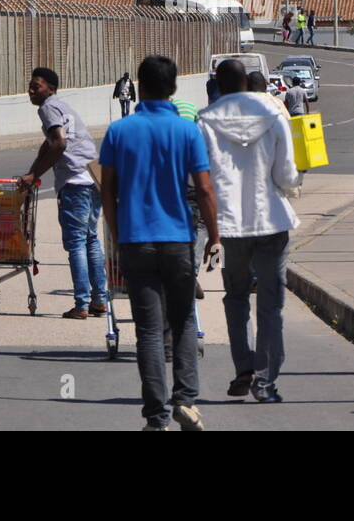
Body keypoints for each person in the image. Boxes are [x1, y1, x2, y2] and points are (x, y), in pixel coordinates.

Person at [100, 55, 220, 431]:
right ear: (173, 88)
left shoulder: (120, 131)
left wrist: (118, 235)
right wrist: (215, 236)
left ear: (139, 86)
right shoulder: (188, 131)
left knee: (148, 330)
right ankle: (185, 401)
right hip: (179, 239)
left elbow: (108, 191)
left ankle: (156, 416)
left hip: (136, 240)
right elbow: (203, 188)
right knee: (183, 319)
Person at [198, 60, 302, 402]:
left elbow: (202, 181)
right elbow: (287, 174)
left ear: (218, 84)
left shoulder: (205, 120)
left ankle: (243, 367)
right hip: (271, 220)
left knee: (236, 297)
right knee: (271, 303)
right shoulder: (273, 114)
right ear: (246, 82)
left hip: (229, 227)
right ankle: (265, 379)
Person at [19, 67, 108, 320]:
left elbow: (58, 143)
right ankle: (99, 300)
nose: (31, 91)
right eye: (30, 86)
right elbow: (49, 142)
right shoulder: (62, 107)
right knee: (91, 239)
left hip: (75, 182)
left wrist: (34, 175)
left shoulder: (47, 108)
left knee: (77, 243)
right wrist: (33, 168)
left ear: (51, 88)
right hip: (93, 177)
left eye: (36, 86)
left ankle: (81, 304)